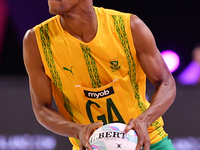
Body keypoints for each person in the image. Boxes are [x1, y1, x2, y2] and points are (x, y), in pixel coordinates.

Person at [23, 0, 176, 150]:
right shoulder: (35, 41)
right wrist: (77, 130)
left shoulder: (129, 26)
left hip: (147, 141)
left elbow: (166, 82)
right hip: (91, 146)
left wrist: (144, 120)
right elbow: (41, 108)